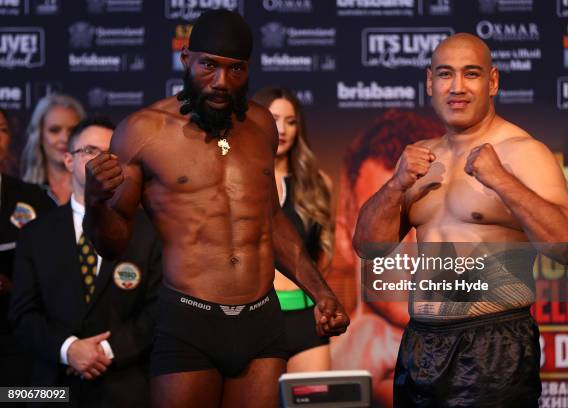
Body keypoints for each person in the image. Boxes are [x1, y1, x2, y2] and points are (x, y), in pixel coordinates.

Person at [83, 10, 349, 408]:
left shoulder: (260, 125)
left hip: (261, 319)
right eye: (209, 65)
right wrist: (95, 201)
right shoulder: (142, 132)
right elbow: (113, 243)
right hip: (189, 320)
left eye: (235, 69)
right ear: (186, 59)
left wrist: (320, 291)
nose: (222, 82)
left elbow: (271, 219)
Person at [353, 33, 568, 407]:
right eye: (446, 74)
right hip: (420, 346)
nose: (457, 87)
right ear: (430, 81)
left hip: (494, 345)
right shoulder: (420, 158)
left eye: (471, 74)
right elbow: (368, 248)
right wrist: (396, 185)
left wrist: (503, 181)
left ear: (492, 81)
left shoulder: (523, 153)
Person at [10, 117, 163, 407]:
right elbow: (23, 314)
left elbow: (159, 310)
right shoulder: (35, 233)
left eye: (110, 154)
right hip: (52, 390)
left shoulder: (148, 231)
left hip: (127, 390)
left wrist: (106, 350)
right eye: (90, 151)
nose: (102, 162)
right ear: (68, 160)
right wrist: (69, 350)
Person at [329, 110, 444, 407]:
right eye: (386, 224)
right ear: (344, 238)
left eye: (422, 223)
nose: (409, 252)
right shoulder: (316, 362)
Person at [251, 87, 333, 372]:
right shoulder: (238, 180)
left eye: (291, 121)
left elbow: (323, 256)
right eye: (273, 118)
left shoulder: (318, 183)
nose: (282, 129)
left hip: (305, 317)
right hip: (254, 318)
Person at [0, 108, 55, 386]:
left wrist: (17, 285)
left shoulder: (35, 201)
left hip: (20, 342)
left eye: (2, 130)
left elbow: (58, 276)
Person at [21, 94, 86, 205]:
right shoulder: (22, 192)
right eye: (54, 130)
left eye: (72, 130)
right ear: (40, 136)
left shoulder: (94, 190)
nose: (65, 139)